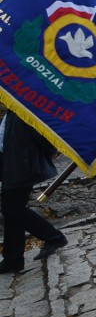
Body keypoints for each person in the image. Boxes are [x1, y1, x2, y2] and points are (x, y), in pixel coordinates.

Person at [0, 112, 66, 274]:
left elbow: (40, 133)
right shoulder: (12, 111)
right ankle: (13, 258)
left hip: (21, 164)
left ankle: (53, 238)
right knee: (12, 210)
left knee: (13, 209)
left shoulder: (22, 111)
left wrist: (52, 150)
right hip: (11, 163)